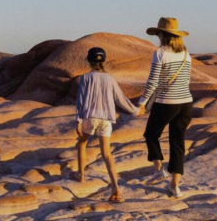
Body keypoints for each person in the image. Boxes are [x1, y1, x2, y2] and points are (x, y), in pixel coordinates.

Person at [71, 47, 141, 203]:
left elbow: (80, 100)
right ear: (104, 61)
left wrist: (78, 120)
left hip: (90, 116)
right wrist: (136, 111)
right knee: (107, 154)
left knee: (82, 144)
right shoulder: (109, 79)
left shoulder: (85, 78)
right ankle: (115, 186)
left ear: (89, 61)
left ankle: (81, 176)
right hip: (106, 119)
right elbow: (120, 99)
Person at [138, 17, 192, 199]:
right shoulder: (186, 53)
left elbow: (152, 82)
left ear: (162, 34)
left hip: (167, 102)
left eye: (158, 33)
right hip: (186, 103)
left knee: (151, 134)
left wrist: (142, 102)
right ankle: (175, 187)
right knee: (178, 143)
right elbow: (186, 80)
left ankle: (159, 170)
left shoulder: (160, 53)